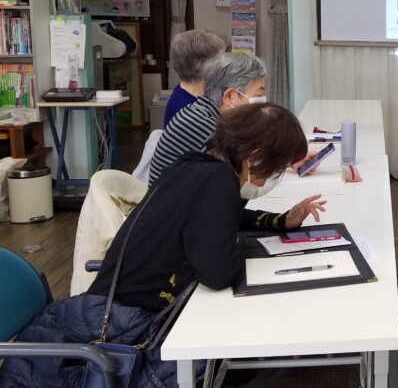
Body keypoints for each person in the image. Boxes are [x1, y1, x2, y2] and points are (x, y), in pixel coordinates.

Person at [0, 104, 326, 387]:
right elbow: (217, 274)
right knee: (242, 348)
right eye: (277, 168)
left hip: (108, 313)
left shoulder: (193, 165)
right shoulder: (219, 182)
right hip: (122, 333)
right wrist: (238, 246)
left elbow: (226, 215)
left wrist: (280, 221)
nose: (275, 176)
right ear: (254, 159)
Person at [149, 52, 267, 186]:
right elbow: (249, 181)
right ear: (229, 96)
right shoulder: (203, 125)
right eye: (257, 96)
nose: (261, 104)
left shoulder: (202, 111)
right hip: (177, 199)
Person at [164, 29, 227, 127]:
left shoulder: (188, 92)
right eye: (222, 58)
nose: (226, 63)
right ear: (205, 65)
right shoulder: (191, 112)